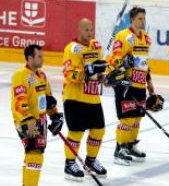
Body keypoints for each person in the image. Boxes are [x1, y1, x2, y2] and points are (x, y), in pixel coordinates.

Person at [107, 7, 163, 166]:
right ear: (132, 19)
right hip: (126, 84)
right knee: (127, 118)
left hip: (140, 84)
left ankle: (130, 144)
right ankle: (119, 149)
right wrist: (122, 66)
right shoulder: (123, 36)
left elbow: (144, 62)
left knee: (137, 117)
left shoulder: (146, 38)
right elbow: (115, 59)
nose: (143, 21)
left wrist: (149, 81)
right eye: (139, 18)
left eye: (144, 18)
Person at [62, 18, 108, 180]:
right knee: (76, 132)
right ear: (79, 30)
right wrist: (88, 70)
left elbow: (100, 72)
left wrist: (106, 77)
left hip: (93, 97)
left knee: (99, 130)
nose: (90, 33)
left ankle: (91, 160)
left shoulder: (96, 46)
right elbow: (69, 73)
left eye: (91, 30)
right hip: (75, 97)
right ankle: (69, 163)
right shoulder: (72, 49)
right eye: (86, 30)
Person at [11, 44, 63, 186]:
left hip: (41, 120)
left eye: (42, 56)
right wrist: (28, 118)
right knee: (35, 153)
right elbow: (19, 100)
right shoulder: (20, 75)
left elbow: (48, 98)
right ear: (29, 58)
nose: (43, 59)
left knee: (33, 153)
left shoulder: (42, 75)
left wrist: (55, 115)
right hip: (26, 121)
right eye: (39, 56)